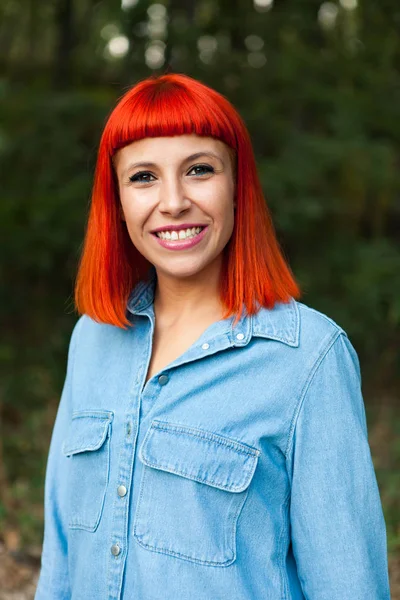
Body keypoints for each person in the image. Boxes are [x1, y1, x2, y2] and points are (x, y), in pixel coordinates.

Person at [34, 73, 390, 600]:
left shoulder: (309, 358)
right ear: (117, 200)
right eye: (143, 177)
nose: (173, 202)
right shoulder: (92, 339)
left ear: (236, 186)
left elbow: (348, 583)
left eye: (199, 170)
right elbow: (61, 555)